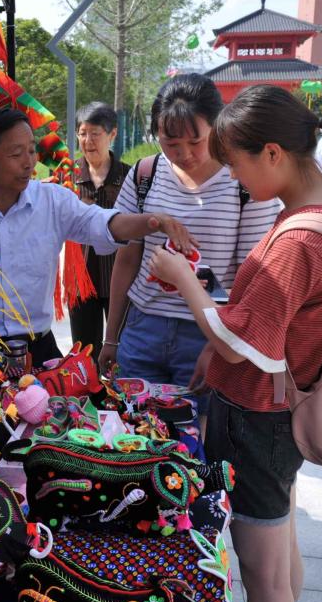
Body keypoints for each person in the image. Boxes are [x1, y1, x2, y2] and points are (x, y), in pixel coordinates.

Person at [148, 84, 322, 602]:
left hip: (259, 418)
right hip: (279, 411)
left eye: (237, 166)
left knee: (262, 578)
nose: (235, 180)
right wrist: (216, 352)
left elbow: (246, 343)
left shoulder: (297, 240)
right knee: (280, 556)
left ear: (272, 153)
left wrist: (184, 280)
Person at [0, 107, 195, 368]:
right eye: (16, 154)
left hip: (38, 349)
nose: (29, 163)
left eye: (31, 150)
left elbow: (101, 223)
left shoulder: (52, 201)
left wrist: (153, 221)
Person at [97, 74, 280, 392]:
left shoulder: (244, 182)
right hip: (142, 329)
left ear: (218, 127)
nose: (184, 154)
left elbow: (250, 276)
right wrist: (111, 337)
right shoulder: (144, 175)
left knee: (196, 422)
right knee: (134, 421)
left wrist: (219, 345)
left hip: (208, 333)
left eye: (196, 142)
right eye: (171, 143)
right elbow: (126, 260)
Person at [70, 102, 130, 357]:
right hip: (79, 281)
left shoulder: (130, 177)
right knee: (84, 355)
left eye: (95, 133)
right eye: (82, 133)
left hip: (120, 278)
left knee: (123, 352)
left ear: (112, 134)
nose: (88, 141)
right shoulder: (67, 176)